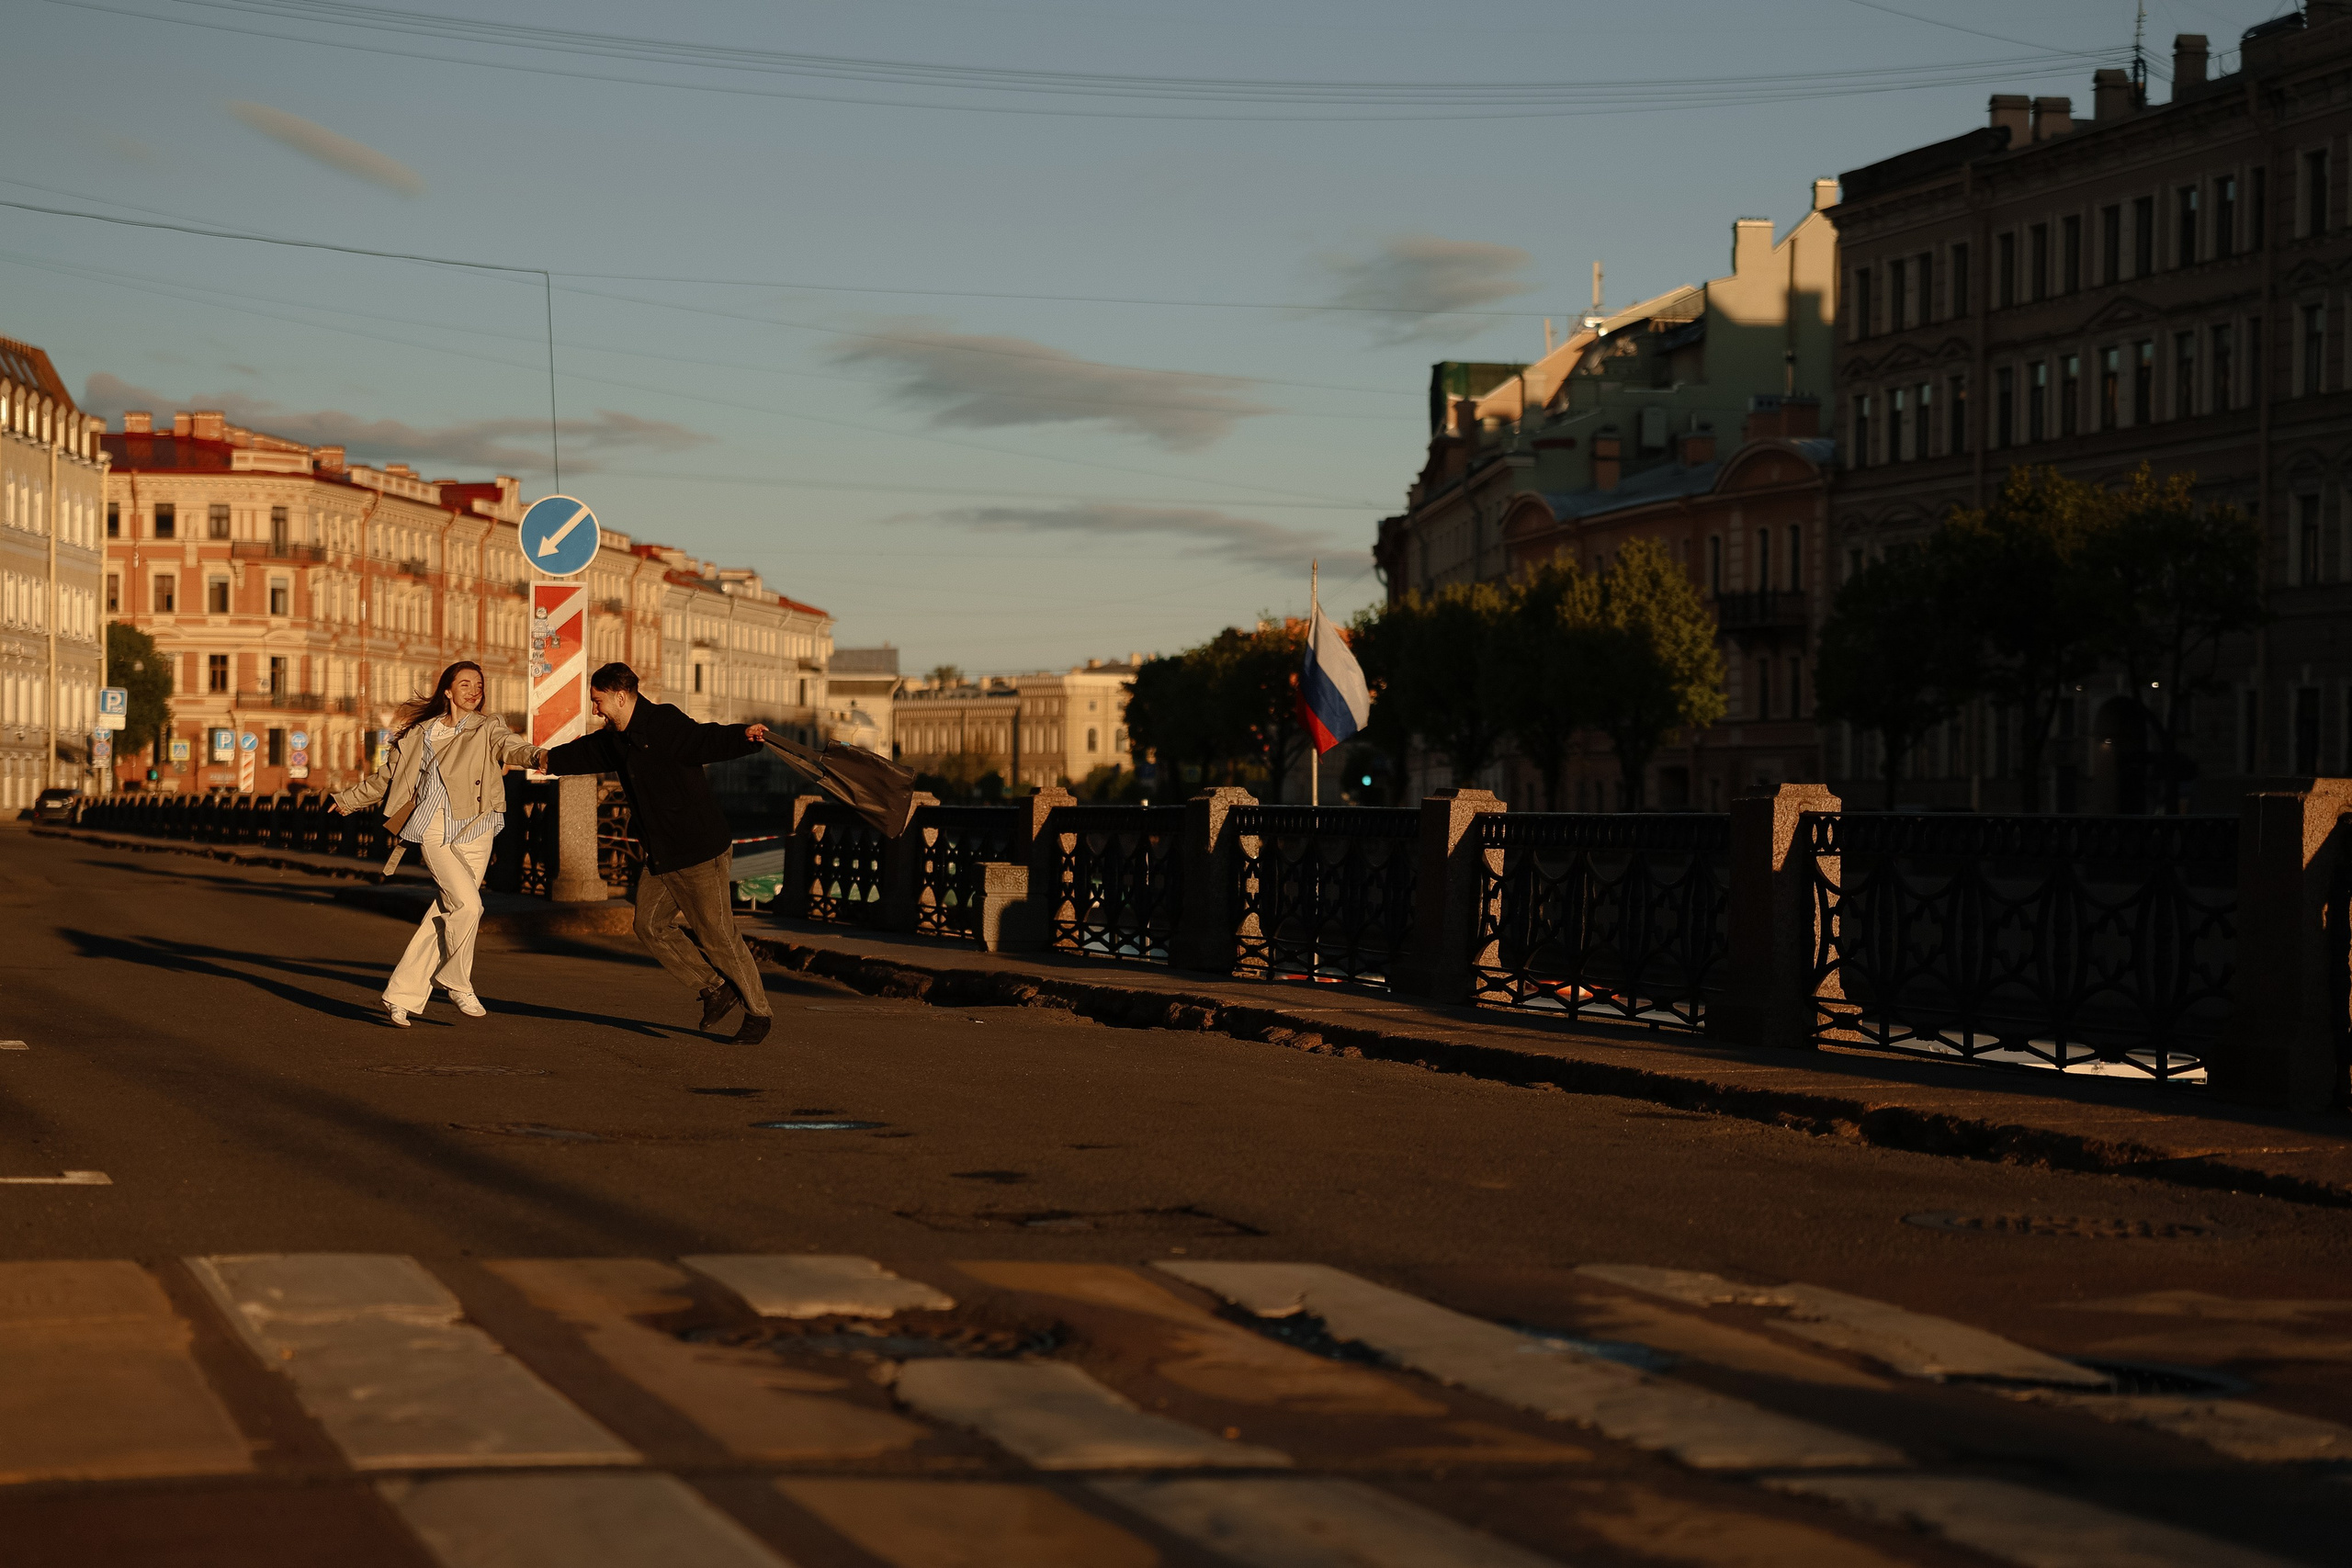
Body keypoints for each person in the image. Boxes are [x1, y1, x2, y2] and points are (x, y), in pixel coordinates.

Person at [534, 662, 775, 1043]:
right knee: (649, 925)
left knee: (718, 936)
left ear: (620, 696)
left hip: (698, 849)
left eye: (598, 701)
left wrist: (744, 737)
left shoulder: (664, 723)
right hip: (662, 854)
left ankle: (759, 1012)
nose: (595, 709)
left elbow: (704, 739)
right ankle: (714, 988)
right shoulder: (616, 738)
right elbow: (586, 753)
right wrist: (545, 760)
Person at [333, 660, 538, 1027]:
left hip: (477, 827)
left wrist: (537, 756)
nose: (474, 691)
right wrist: (349, 800)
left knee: (447, 913)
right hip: (432, 828)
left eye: (478, 685)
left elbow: (512, 748)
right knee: (470, 906)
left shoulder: (489, 727)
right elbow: (386, 778)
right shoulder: (418, 735)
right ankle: (456, 981)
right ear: (448, 690)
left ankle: (400, 995)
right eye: (465, 684)